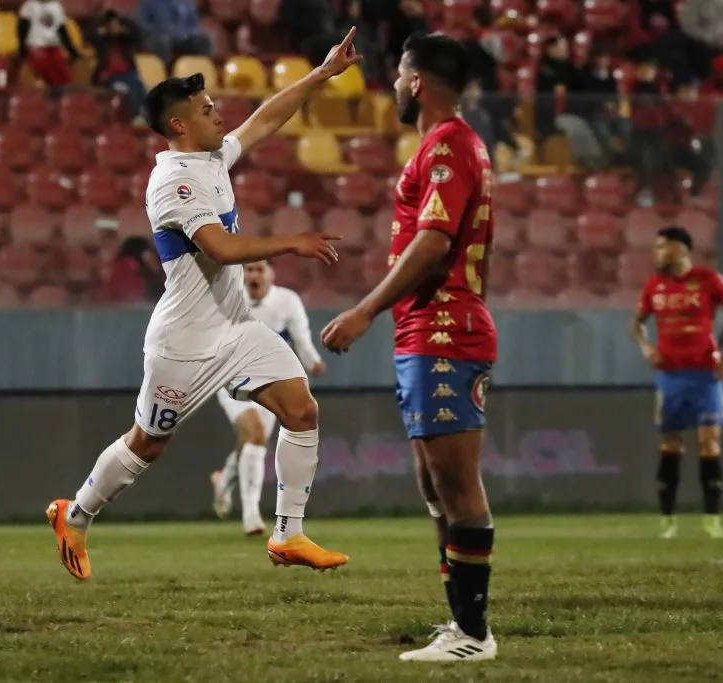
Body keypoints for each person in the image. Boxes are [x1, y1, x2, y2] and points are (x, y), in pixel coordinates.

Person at [46, 28, 364, 581]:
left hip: (236, 329)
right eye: (207, 109)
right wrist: (290, 241)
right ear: (179, 125)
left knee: (302, 411)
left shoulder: (213, 157)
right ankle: (74, 515)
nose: (220, 115)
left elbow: (265, 118)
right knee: (147, 444)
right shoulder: (172, 181)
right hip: (184, 341)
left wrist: (322, 73)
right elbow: (219, 247)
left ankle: (288, 533)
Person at [321, 33, 498, 662]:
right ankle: (459, 624)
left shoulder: (448, 145)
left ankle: (475, 636)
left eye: (399, 74)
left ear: (417, 81)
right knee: (432, 481)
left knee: (455, 482)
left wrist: (365, 310)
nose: (394, 84)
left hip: (449, 330)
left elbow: (433, 243)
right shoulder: (442, 144)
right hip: (424, 330)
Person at [630, 226, 723, 540]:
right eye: (656, 247)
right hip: (670, 376)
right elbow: (636, 324)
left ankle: (712, 521)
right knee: (671, 444)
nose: (657, 253)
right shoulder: (654, 286)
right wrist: (646, 347)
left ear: (681, 250)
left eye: (663, 247)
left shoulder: (708, 280)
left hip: (705, 375)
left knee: (709, 443)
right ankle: (667, 522)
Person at [210, 260, 326, 536]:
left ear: (271, 274)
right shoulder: (228, 296)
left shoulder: (287, 301)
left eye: (260, 269)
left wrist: (313, 361)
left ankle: (224, 477)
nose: (253, 274)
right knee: (256, 433)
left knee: (252, 440)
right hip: (231, 376)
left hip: (271, 380)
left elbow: (301, 337)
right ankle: (251, 514)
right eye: (248, 269)